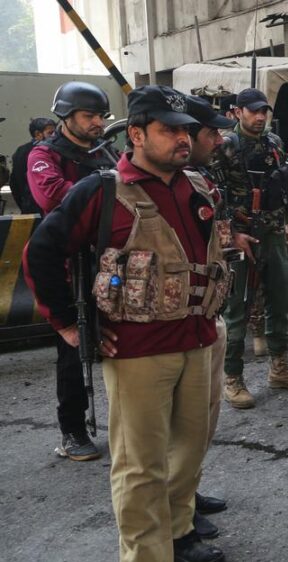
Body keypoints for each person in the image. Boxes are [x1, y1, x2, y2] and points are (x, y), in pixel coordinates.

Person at [23, 85, 228, 562]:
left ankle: (179, 535)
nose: (182, 139)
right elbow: (43, 253)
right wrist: (69, 325)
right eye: (168, 130)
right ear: (136, 134)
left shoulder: (195, 185)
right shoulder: (101, 190)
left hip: (197, 340)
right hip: (138, 350)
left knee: (189, 447)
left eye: (184, 130)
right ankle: (147, 554)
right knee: (140, 465)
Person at [28, 82, 117, 462]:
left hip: (109, 261)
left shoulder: (106, 153)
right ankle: (73, 430)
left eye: (101, 116)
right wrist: (102, 193)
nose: (97, 123)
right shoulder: (43, 155)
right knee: (73, 346)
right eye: (89, 116)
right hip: (69, 264)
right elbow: (53, 196)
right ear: (66, 117)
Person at [213, 88, 288, 410]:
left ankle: (279, 369)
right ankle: (233, 378)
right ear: (238, 111)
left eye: (263, 112)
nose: (260, 117)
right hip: (241, 237)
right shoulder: (225, 146)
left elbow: (282, 188)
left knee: (280, 299)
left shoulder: (274, 143)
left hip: (272, 232)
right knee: (237, 308)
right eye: (253, 111)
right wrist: (231, 235)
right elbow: (213, 195)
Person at [184, 94, 240, 539]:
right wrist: (67, 323)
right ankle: (177, 517)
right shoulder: (132, 185)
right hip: (170, 325)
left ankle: (187, 491)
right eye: (211, 133)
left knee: (202, 417)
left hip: (208, 312)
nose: (219, 140)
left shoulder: (200, 176)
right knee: (174, 426)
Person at [10, 117, 55, 214]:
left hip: (29, 208)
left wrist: (24, 205)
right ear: (38, 134)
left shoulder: (20, 151)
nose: (55, 136)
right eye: (50, 133)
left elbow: (14, 185)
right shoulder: (47, 152)